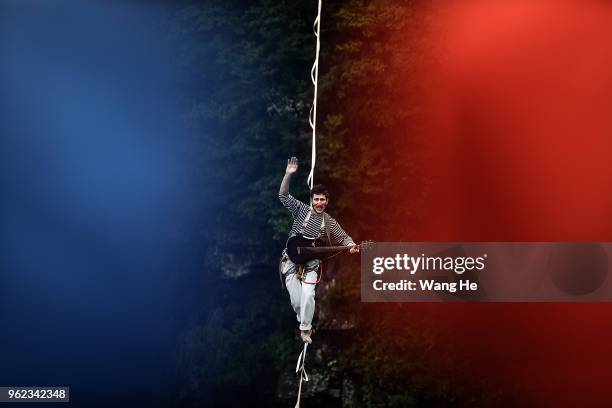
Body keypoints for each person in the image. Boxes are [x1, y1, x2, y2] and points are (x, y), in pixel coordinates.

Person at [279, 157, 359, 344]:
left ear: (327, 201)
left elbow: (344, 237)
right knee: (297, 303)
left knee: (308, 295)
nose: (319, 202)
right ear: (311, 199)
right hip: (291, 259)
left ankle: (305, 329)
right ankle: (303, 319)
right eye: (316, 199)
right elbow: (283, 196)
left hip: (311, 263)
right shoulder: (301, 209)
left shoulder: (329, 222)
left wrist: (352, 245)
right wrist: (288, 175)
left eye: (322, 199)